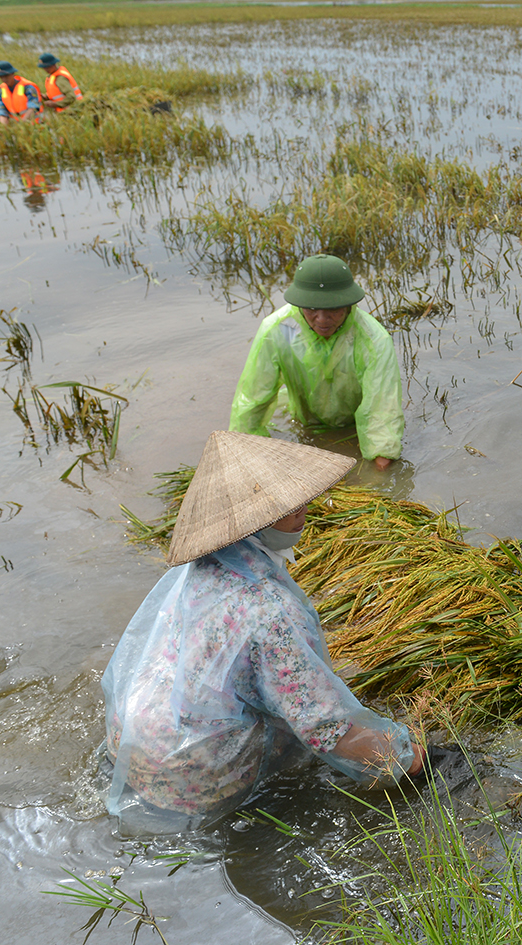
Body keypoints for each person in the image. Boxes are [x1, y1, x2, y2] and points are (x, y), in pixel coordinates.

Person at [102, 431, 424, 834]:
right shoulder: (270, 611)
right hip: (188, 777)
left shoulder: (203, 567)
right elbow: (325, 725)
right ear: (252, 520)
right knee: (296, 739)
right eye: (284, 505)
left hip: (132, 742)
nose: (302, 508)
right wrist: (401, 756)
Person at [230, 255, 404, 470]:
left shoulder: (373, 340)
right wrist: (242, 453)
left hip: (353, 425)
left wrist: (379, 473)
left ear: (349, 305)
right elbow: (253, 398)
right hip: (305, 419)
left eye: (333, 309)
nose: (322, 319)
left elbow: (382, 409)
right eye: (311, 309)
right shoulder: (278, 330)